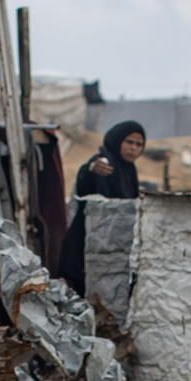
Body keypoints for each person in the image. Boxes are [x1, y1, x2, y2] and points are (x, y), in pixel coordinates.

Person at [58, 119, 146, 291]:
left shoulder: (129, 170)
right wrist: (91, 169)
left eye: (139, 144)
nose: (134, 148)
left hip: (111, 247)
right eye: (129, 142)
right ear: (117, 140)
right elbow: (86, 179)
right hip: (88, 247)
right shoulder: (104, 162)